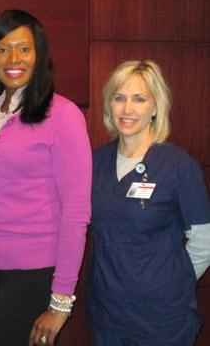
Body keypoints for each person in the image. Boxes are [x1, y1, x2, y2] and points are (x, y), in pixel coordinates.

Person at [0, 9, 92, 346]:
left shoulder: (62, 116)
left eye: (24, 48)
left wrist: (60, 302)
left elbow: (76, 213)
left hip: (34, 276)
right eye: (3, 48)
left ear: (39, 56)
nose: (13, 58)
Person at [87, 60, 210, 345]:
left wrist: (170, 282)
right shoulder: (95, 162)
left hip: (162, 318)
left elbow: (204, 240)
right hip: (108, 314)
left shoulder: (179, 167)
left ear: (155, 107)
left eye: (139, 99)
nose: (127, 109)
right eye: (119, 98)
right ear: (109, 106)